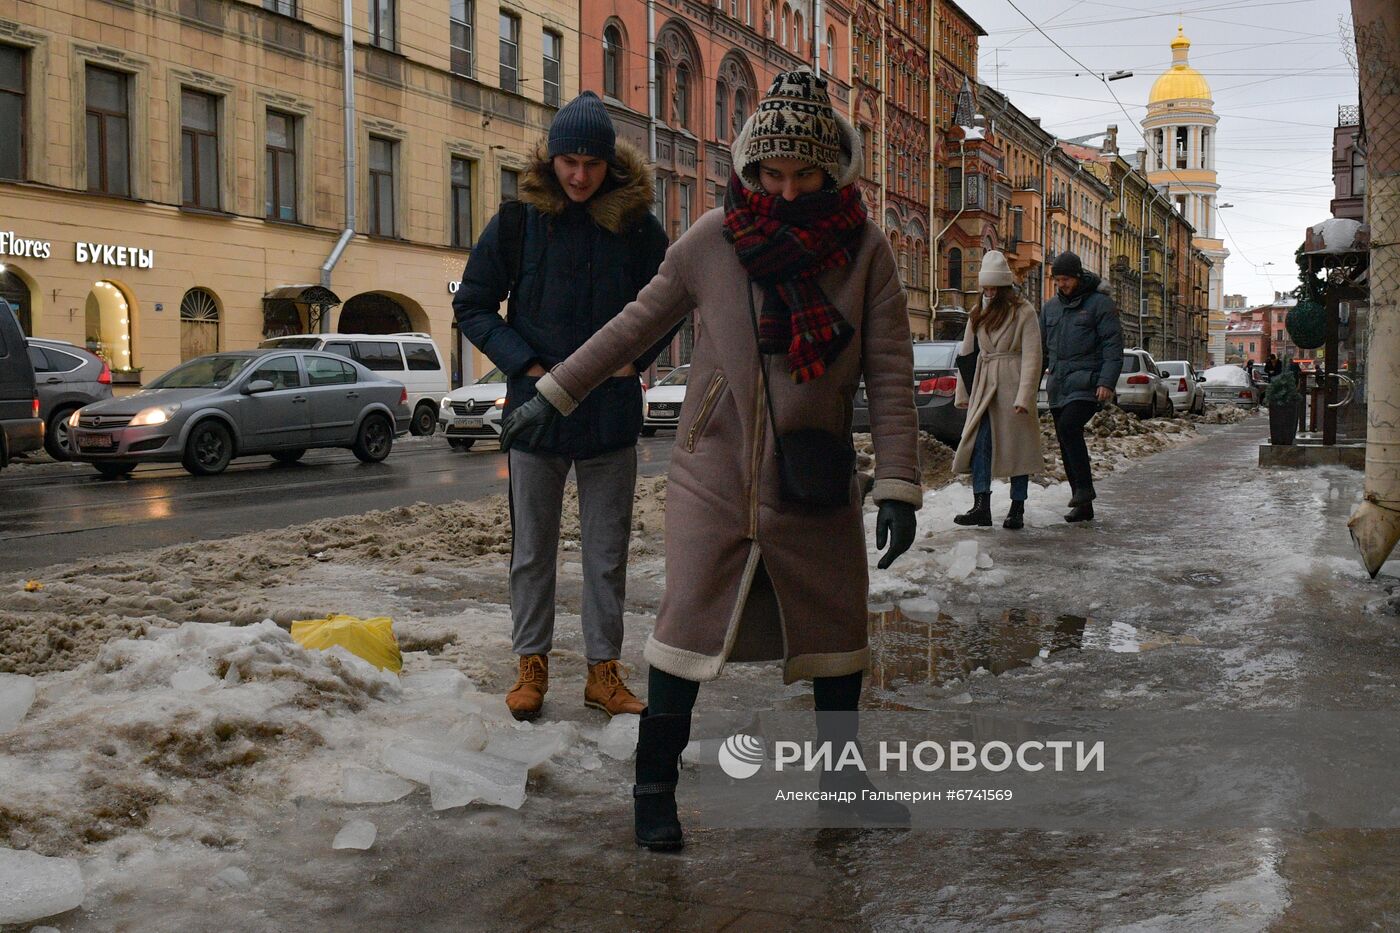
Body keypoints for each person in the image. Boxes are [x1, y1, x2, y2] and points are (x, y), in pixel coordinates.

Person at [500, 70, 922, 850]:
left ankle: (842, 781)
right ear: (749, 169)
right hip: (714, 470)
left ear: (836, 171)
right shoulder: (714, 239)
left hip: (815, 470)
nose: (787, 191)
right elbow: (632, 326)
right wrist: (552, 394)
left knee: (836, 626)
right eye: (771, 173)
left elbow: (890, 371)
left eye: (805, 175)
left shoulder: (865, 252)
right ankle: (652, 788)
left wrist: (897, 483)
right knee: (684, 629)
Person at [453, 91, 673, 722]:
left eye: (592, 163)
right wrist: (526, 364)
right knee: (532, 553)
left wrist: (639, 356)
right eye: (569, 162)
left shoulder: (635, 227)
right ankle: (532, 669)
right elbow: (472, 303)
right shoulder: (520, 220)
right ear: (551, 160)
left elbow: (673, 300)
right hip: (537, 417)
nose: (580, 175)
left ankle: (604, 674)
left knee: (607, 555)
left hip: (609, 418)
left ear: (610, 164)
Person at [951, 251, 1043, 530]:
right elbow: (967, 353)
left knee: (1018, 448)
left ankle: (1017, 507)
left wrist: (1025, 396)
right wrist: (963, 394)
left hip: (1012, 382)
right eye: (985, 287)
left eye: (994, 287)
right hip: (984, 381)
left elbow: (1032, 356)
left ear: (1004, 287)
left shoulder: (1023, 311)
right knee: (980, 444)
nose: (989, 292)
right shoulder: (977, 312)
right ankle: (982, 505)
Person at [1039, 251, 1123, 523]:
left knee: (1069, 427)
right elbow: (1041, 351)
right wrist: (1029, 385)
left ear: (1077, 277)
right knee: (1064, 439)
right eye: (1058, 279)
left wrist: (1106, 382)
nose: (1061, 284)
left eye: (1066, 279)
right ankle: (1083, 505)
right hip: (1059, 384)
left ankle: (1084, 489)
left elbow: (1113, 345)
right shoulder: (1050, 308)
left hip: (1088, 382)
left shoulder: (1099, 304)